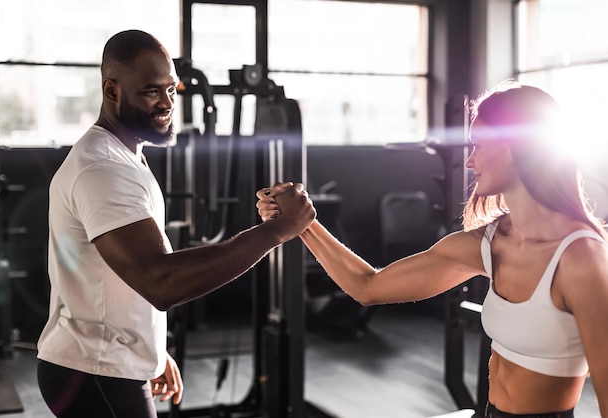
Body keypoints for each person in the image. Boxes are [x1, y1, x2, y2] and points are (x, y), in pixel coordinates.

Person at [257, 82, 608, 418]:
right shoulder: (489, 242)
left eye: (479, 146)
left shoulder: (580, 260)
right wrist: (302, 222)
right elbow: (368, 287)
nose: (471, 162)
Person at [36, 29, 315, 418]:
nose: (167, 103)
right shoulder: (103, 168)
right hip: (96, 371)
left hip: (104, 363)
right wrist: (275, 231)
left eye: (171, 89)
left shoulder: (125, 154)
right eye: (152, 91)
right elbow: (160, 281)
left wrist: (150, 350)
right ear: (112, 90)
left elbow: (119, 277)